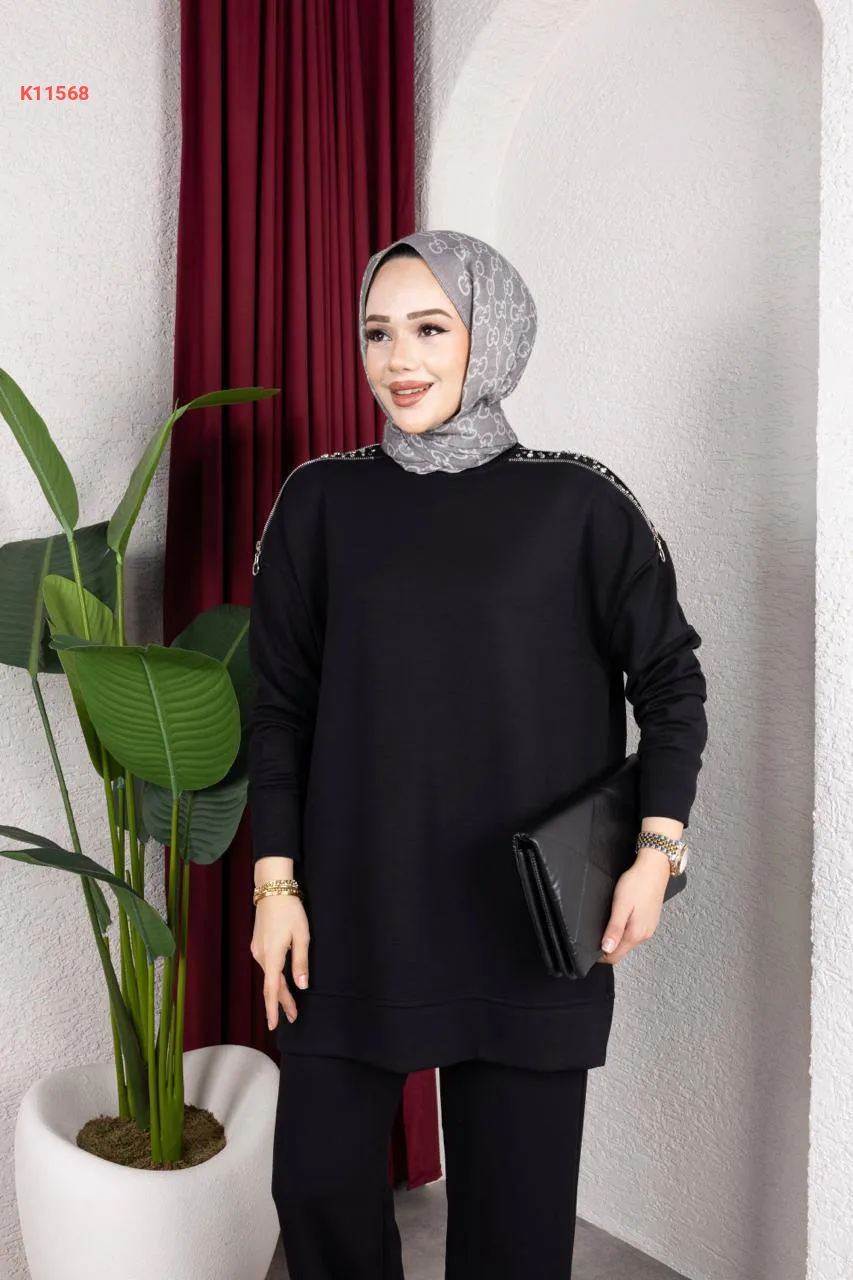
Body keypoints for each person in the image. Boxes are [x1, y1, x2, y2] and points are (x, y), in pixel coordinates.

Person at [247, 229, 708, 1279]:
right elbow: (279, 710)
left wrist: (655, 852)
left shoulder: (580, 503)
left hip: (525, 920)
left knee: (514, 1236)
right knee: (315, 1183)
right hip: (353, 906)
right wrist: (276, 883)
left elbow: (670, 684)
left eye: (429, 328)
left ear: (487, 336)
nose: (397, 360)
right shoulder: (320, 501)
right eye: (376, 333)